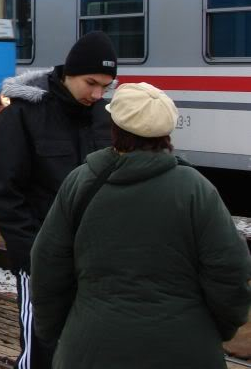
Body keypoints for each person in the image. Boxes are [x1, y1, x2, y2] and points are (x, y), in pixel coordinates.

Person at [30, 82, 251, 369]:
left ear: (114, 126)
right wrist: (214, 331)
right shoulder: (196, 189)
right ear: (166, 133)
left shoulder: (80, 183)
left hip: (91, 349)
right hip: (185, 351)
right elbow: (230, 270)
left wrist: (62, 332)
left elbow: (46, 266)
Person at [0, 30, 118, 369]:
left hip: (96, 260)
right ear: (69, 73)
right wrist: (32, 257)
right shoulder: (23, 114)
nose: (97, 93)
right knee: (42, 349)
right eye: (91, 82)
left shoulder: (105, 117)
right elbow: (5, 192)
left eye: (105, 86)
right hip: (42, 258)